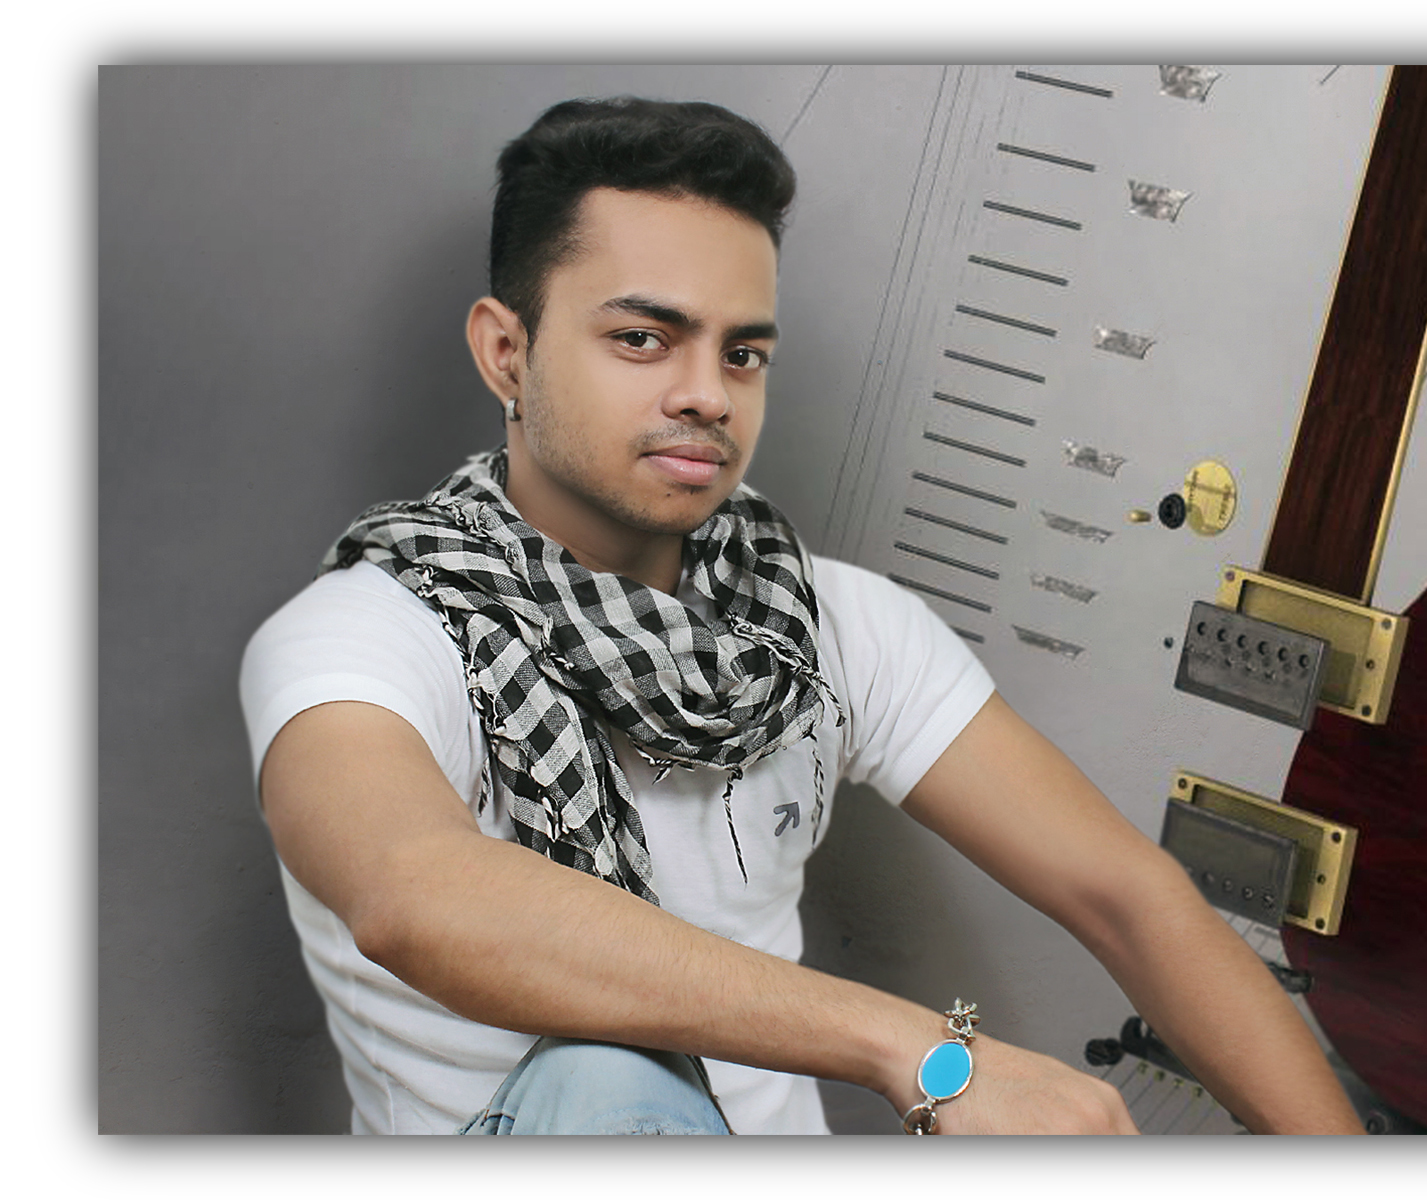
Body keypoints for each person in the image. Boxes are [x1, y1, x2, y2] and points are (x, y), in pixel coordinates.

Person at [239, 95, 1365, 1136]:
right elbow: (413, 895)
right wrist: (923, 1052)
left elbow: (1130, 899)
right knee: (609, 1081)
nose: (706, 393)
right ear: (506, 352)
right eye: (642, 339)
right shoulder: (367, 635)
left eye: (743, 353)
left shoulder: (824, 624)